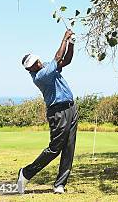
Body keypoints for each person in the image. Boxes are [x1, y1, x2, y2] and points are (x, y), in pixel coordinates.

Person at [16, 29, 77, 195]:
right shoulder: (41, 76)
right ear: (30, 70)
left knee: (69, 148)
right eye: (33, 65)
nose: (37, 64)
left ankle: (60, 184)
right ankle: (26, 173)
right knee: (55, 148)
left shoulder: (48, 68)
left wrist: (71, 43)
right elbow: (58, 58)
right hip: (58, 112)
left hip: (71, 108)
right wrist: (64, 37)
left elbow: (67, 60)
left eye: (37, 61)